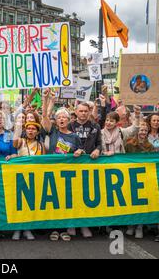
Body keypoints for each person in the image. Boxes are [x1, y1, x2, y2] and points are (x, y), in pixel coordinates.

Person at [41, 89, 82, 242]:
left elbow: (80, 151)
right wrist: (45, 99)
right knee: (53, 202)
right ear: (56, 121)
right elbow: (44, 116)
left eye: (64, 117)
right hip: (52, 172)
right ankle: (54, 229)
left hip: (67, 174)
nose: (62, 119)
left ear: (68, 120)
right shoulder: (52, 132)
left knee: (65, 202)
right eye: (59, 117)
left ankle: (64, 228)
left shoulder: (74, 136)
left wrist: (80, 150)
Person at [67, 102, 102, 238]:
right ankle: (71, 224)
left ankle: (84, 224)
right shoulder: (70, 126)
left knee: (86, 196)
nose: (83, 113)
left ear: (89, 112)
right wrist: (73, 151)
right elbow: (62, 142)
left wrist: (98, 150)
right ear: (76, 112)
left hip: (89, 166)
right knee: (72, 196)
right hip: (72, 165)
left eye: (85, 111)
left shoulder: (95, 126)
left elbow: (99, 143)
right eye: (80, 111)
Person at [123, 122, 154, 239]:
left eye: (145, 131)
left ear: (147, 133)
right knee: (131, 202)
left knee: (141, 203)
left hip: (143, 177)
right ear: (137, 131)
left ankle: (139, 226)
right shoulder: (129, 144)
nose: (143, 132)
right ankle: (131, 225)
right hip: (130, 176)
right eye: (141, 130)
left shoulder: (150, 146)